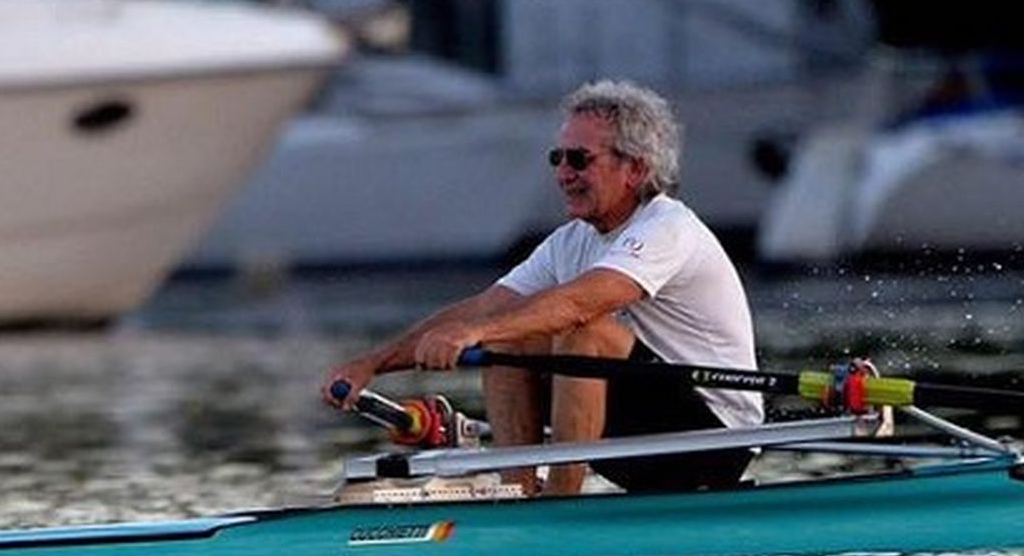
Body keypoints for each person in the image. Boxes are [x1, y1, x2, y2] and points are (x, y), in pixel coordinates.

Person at [322, 78, 763, 495]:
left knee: (581, 329)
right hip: (641, 434)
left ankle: (559, 505)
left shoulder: (669, 227)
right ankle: (521, 491)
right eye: (558, 158)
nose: (563, 173)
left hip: (713, 441)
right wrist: (373, 364)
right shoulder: (569, 243)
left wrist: (477, 334)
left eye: (579, 159)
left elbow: (580, 303)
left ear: (635, 169)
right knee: (512, 331)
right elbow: (483, 309)